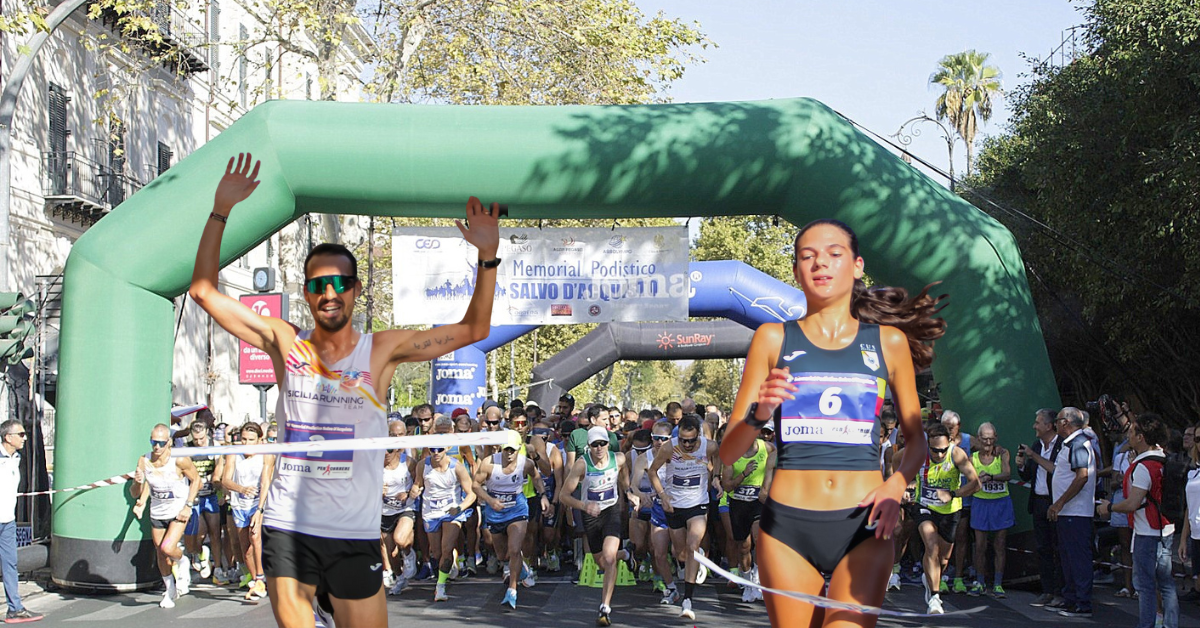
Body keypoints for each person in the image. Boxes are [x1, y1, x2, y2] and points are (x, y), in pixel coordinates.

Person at [187, 153, 500, 627]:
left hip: (352, 532)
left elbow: (475, 328)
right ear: (308, 293)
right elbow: (204, 291)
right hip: (288, 526)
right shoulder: (284, 341)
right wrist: (220, 209)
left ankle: (333, 606)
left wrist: (487, 255)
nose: (329, 293)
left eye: (340, 283)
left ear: (354, 291)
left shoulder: (382, 351)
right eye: (318, 285)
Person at [718, 219, 943, 628]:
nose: (820, 263)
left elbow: (916, 442)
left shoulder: (887, 342)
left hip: (864, 525)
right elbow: (728, 453)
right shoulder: (772, 338)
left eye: (833, 254)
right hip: (787, 526)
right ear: (795, 272)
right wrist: (759, 414)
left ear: (857, 266)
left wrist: (896, 485)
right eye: (808, 257)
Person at [1099, 413, 1177, 628]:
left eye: (1132, 432)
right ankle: (1170, 624)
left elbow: (1132, 503)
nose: (1129, 437)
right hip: (1165, 529)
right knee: (1167, 585)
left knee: (1145, 586)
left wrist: (1109, 507)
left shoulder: (1143, 467)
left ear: (1141, 437)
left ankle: (1147, 624)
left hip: (1146, 532)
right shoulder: (1163, 460)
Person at [560, 426, 633, 627]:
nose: (599, 448)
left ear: (608, 444)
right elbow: (563, 496)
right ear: (588, 447)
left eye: (602, 444)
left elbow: (624, 472)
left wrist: (628, 491)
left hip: (611, 511)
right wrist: (584, 505)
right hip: (590, 515)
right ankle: (626, 555)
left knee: (609, 558)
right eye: (595, 445)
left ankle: (605, 607)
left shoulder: (618, 458)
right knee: (602, 562)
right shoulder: (582, 465)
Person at [648, 415, 718, 621]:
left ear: (699, 436)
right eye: (683, 440)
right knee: (680, 554)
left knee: (692, 545)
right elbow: (652, 472)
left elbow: (720, 460)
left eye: (691, 441)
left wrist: (716, 478)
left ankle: (687, 600)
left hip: (698, 503)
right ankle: (696, 557)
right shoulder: (670, 448)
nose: (687, 445)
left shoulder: (710, 446)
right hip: (674, 505)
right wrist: (663, 495)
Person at [907, 423, 980, 613]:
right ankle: (934, 597)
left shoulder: (956, 454)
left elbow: (976, 484)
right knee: (931, 545)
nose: (939, 455)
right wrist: (901, 486)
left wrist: (954, 493)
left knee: (943, 559)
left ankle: (930, 577)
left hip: (950, 510)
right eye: (934, 450)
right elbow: (896, 462)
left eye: (942, 450)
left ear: (949, 445)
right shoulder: (919, 453)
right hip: (924, 506)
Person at [474, 430, 547, 609]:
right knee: (502, 554)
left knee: (514, 549)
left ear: (519, 449)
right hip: (496, 510)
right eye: (506, 449)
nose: (509, 454)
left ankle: (512, 590)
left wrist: (543, 496)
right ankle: (520, 567)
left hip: (517, 508)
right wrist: (490, 500)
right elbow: (475, 484)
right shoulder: (489, 463)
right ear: (501, 448)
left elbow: (537, 478)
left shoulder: (525, 463)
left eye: (513, 450)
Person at [132, 423, 201, 609]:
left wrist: (188, 505)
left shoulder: (179, 460)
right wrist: (139, 490)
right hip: (157, 512)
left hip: (178, 510)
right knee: (160, 552)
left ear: (169, 442)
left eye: (161, 443)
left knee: (168, 548)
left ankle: (183, 560)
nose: (156, 447)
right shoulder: (144, 460)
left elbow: (197, 480)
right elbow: (136, 491)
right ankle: (169, 589)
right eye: (153, 442)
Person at [1043, 407, 1097, 617]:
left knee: (1077, 558)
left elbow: (1082, 476)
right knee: (1067, 557)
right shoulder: (1070, 444)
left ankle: (1083, 603)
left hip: (1077, 513)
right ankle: (1071, 598)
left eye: (1057, 420)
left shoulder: (1078, 444)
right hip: (1068, 513)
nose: (1055, 424)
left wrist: (1059, 503)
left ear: (1065, 422)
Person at [413, 439, 476, 602]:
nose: (436, 452)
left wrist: (460, 508)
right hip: (431, 512)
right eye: (432, 449)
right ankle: (450, 560)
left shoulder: (457, 467)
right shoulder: (422, 465)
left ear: (447, 448)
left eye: (439, 449)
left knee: (446, 549)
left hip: (451, 511)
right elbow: (418, 485)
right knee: (437, 552)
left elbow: (472, 493)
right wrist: (414, 490)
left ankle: (440, 587)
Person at [721, 419, 775, 603]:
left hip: (758, 502)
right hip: (738, 503)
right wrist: (743, 474)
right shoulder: (731, 454)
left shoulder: (766, 448)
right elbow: (727, 486)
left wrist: (770, 487)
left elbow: (776, 464)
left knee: (759, 539)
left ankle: (757, 580)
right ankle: (747, 583)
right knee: (743, 546)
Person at [1016, 408, 1065, 608]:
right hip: (1038, 503)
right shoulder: (1037, 445)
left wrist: (1033, 456)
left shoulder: (1062, 446)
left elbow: (1057, 470)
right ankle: (1047, 590)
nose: (1034, 426)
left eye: (1038, 422)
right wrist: (1021, 465)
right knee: (1043, 548)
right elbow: (1028, 475)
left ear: (1049, 425)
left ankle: (1061, 592)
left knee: (1058, 548)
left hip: (1056, 503)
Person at [222, 423, 275, 600]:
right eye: (243, 439)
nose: (246, 443)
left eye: (251, 440)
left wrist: (260, 509)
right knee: (246, 549)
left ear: (260, 440)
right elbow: (225, 481)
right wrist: (241, 489)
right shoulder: (233, 454)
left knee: (255, 537)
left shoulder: (266, 454)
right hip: (239, 505)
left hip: (257, 503)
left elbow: (266, 481)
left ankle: (260, 579)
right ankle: (256, 580)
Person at [631, 421, 680, 604]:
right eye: (656, 438)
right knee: (657, 552)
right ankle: (671, 588)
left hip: (680, 507)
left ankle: (685, 561)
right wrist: (641, 495)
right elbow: (633, 484)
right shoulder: (644, 458)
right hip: (659, 508)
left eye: (663, 439)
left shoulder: (679, 454)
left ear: (671, 439)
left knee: (678, 552)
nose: (659, 442)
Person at [0, 421, 41, 623]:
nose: (24, 438)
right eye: (21, 434)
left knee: (10, 563)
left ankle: (14, 609)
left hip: (7, 521)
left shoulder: (15, 458)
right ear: (8, 437)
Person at [968, 422, 1013, 597]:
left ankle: (998, 583)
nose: (987, 442)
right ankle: (979, 582)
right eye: (984, 439)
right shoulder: (973, 458)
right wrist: (977, 480)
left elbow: (1007, 474)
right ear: (979, 438)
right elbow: (971, 480)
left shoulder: (1003, 453)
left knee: (999, 545)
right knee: (980, 546)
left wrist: (990, 477)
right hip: (981, 504)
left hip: (1001, 503)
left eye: (990, 438)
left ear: (996, 438)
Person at [183, 420, 226, 585]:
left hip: (210, 496)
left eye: (201, 439)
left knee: (215, 532)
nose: (199, 442)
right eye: (196, 439)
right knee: (197, 534)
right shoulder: (186, 449)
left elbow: (218, 472)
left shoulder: (215, 446)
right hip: (193, 497)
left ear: (207, 433)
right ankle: (200, 553)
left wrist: (220, 490)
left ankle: (219, 569)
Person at [381, 419, 417, 595]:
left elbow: (420, 482)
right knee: (391, 553)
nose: (386, 453)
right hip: (384, 511)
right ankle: (400, 577)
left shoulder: (408, 462)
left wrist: (410, 492)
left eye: (389, 450)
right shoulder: (374, 464)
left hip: (405, 508)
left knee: (400, 539)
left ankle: (409, 554)